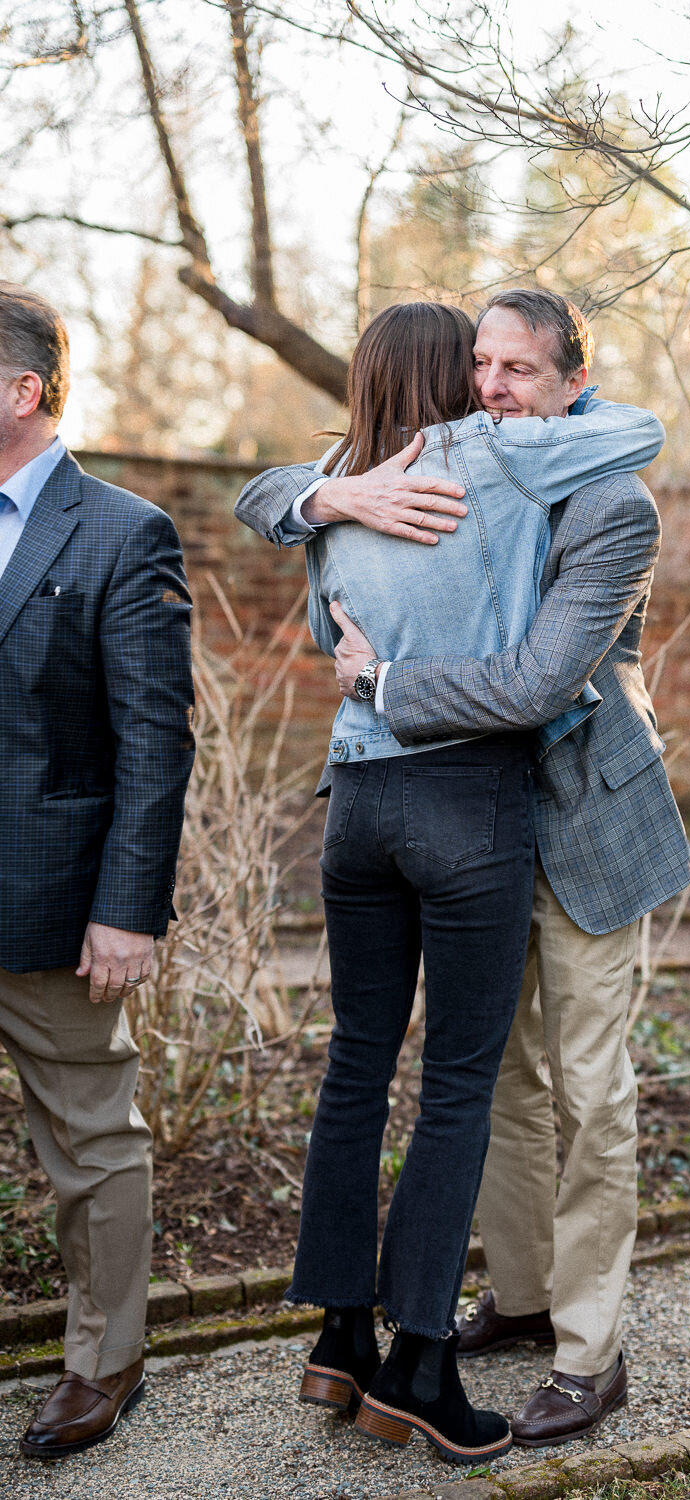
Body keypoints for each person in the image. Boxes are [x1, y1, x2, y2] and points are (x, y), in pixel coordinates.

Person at [241, 287, 690, 1449]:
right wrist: (325, 487)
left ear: (569, 386)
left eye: (519, 374)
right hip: (473, 828)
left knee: (589, 1090)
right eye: (481, 366)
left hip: (581, 827)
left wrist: (380, 687)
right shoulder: (423, 475)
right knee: (494, 1082)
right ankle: (525, 1292)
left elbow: (537, 682)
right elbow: (264, 493)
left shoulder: (606, 501)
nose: (490, 390)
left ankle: (591, 1352)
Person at [0, 283, 195, 1459]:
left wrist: (128, 908)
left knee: (93, 1143)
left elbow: (154, 737)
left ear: (23, 392)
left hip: (55, 907)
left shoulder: (124, 532)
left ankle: (104, 1361)